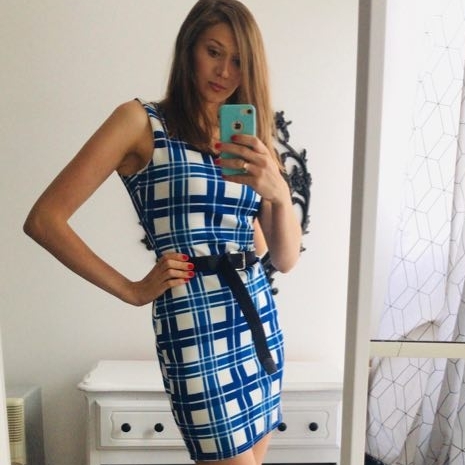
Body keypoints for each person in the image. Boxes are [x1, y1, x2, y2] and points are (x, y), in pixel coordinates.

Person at [23, 0, 302, 464]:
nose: (225, 71)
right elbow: (44, 219)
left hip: (256, 318)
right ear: (189, 47)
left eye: (238, 60)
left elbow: (284, 258)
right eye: (214, 52)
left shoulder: (246, 139)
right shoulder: (140, 122)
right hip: (193, 323)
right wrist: (132, 290)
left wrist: (277, 191)